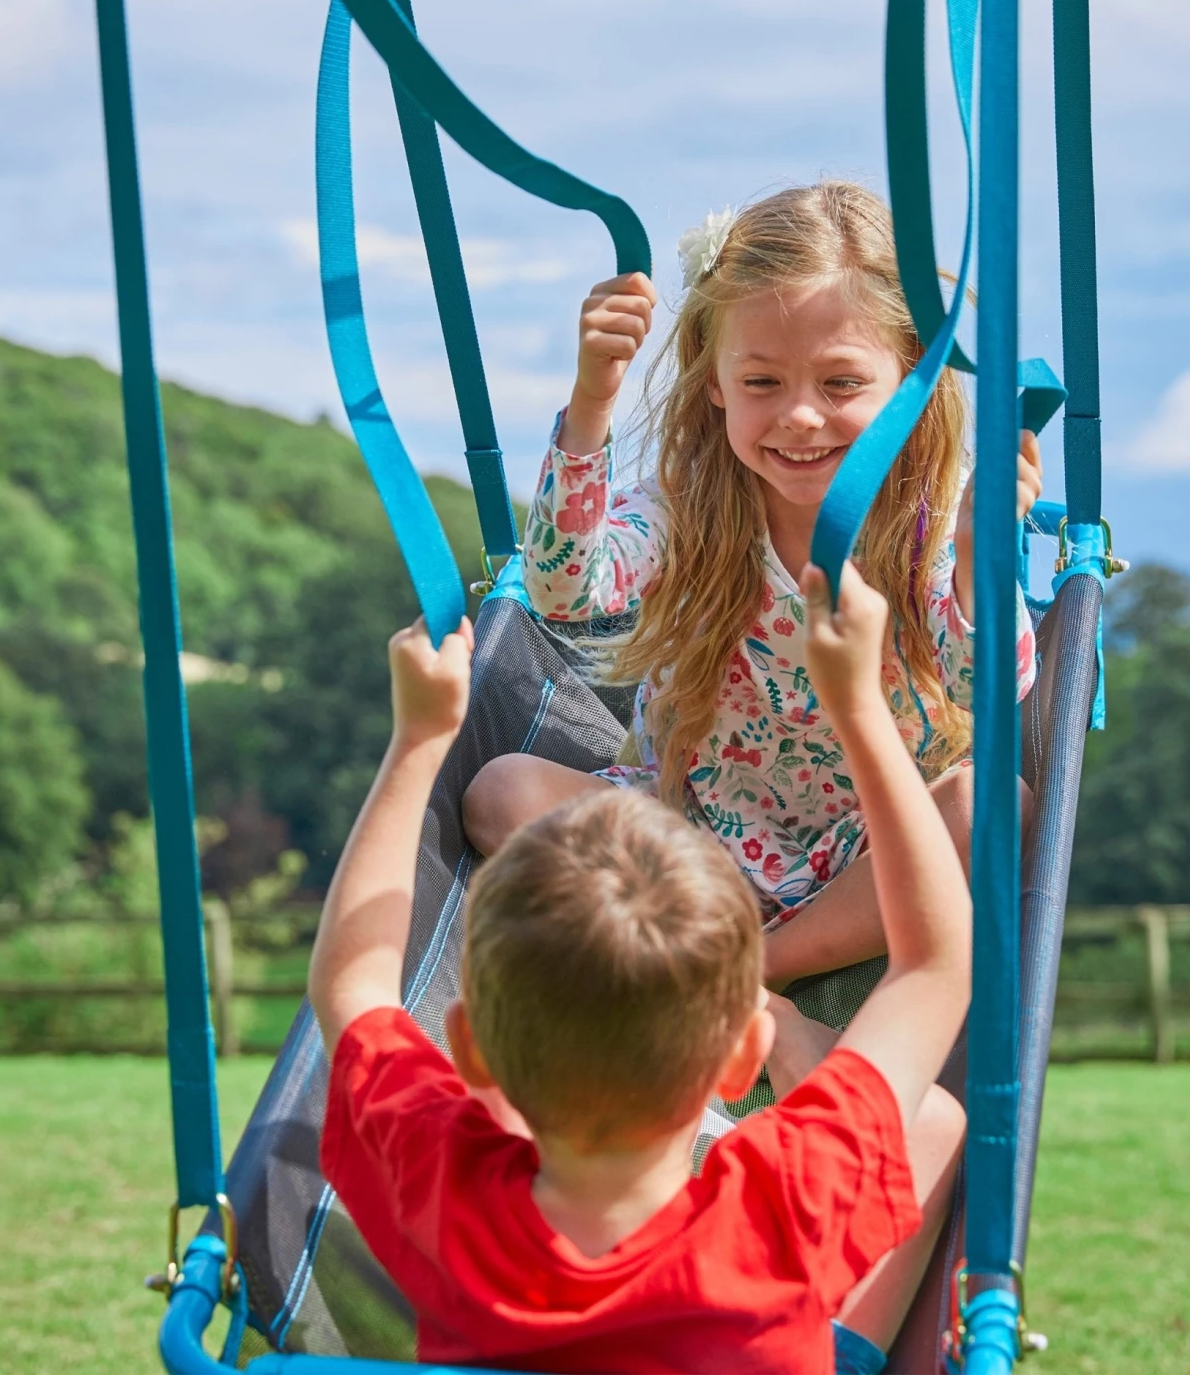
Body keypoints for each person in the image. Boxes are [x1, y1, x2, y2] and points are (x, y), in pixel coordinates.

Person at [310, 560, 971, 1374]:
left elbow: (351, 985)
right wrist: (860, 709)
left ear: (473, 1049)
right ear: (739, 1058)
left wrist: (416, 744)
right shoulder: (781, 1210)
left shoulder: (447, 1187)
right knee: (936, 1118)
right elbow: (935, 967)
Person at [462, 183, 1039, 1038]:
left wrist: (973, 556)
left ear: (913, 374)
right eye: (762, 380)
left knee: (998, 806)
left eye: (842, 381)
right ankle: (742, 984)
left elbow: (993, 687)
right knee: (499, 790)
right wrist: (592, 403)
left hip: (866, 849)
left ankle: (739, 977)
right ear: (718, 383)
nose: (800, 415)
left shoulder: (936, 513)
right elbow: (563, 590)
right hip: (691, 838)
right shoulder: (691, 501)